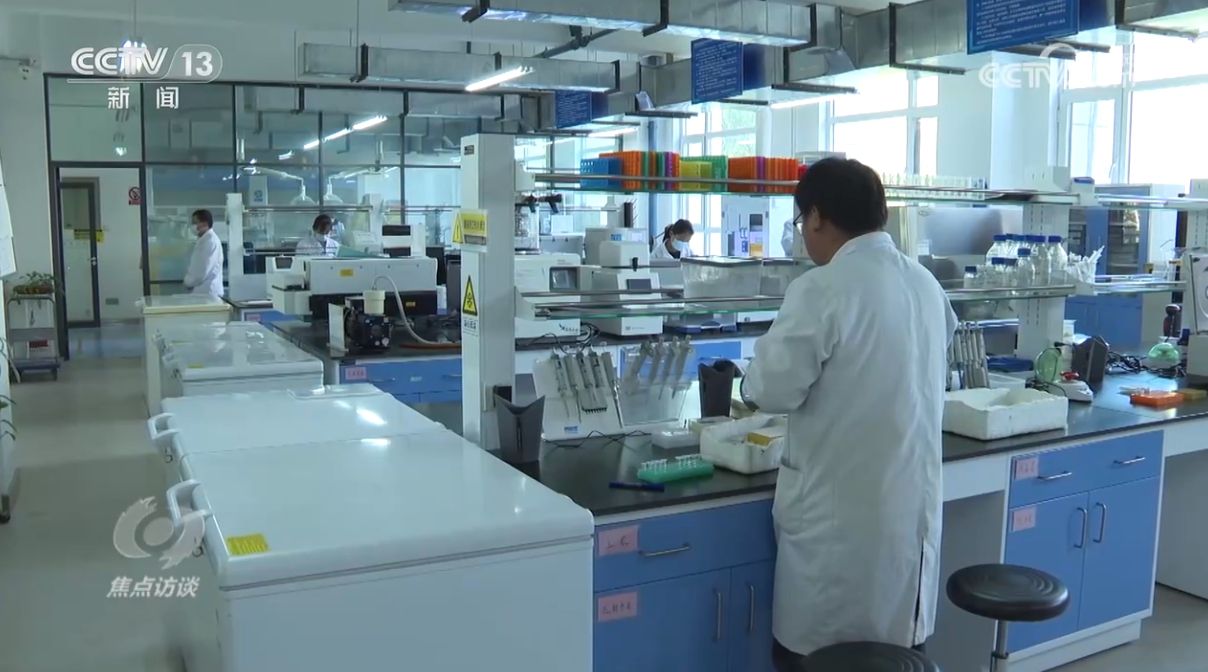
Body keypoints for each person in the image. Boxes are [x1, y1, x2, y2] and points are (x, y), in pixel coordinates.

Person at [740, 158, 957, 667]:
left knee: (822, 657)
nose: (803, 234)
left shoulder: (822, 288)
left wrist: (752, 374)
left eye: (801, 222)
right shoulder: (925, 284)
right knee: (894, 655)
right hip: (909, 518)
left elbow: (769, 390)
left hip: (836, 532)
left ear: (817, 216)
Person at [183, 209, 225, 298]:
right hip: (203, 292)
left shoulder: (209, 241)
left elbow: (202, 270)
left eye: (195, 222)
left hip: (207, 293)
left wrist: (188, 282)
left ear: (205, 223)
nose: (193, 226)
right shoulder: (204, 240)